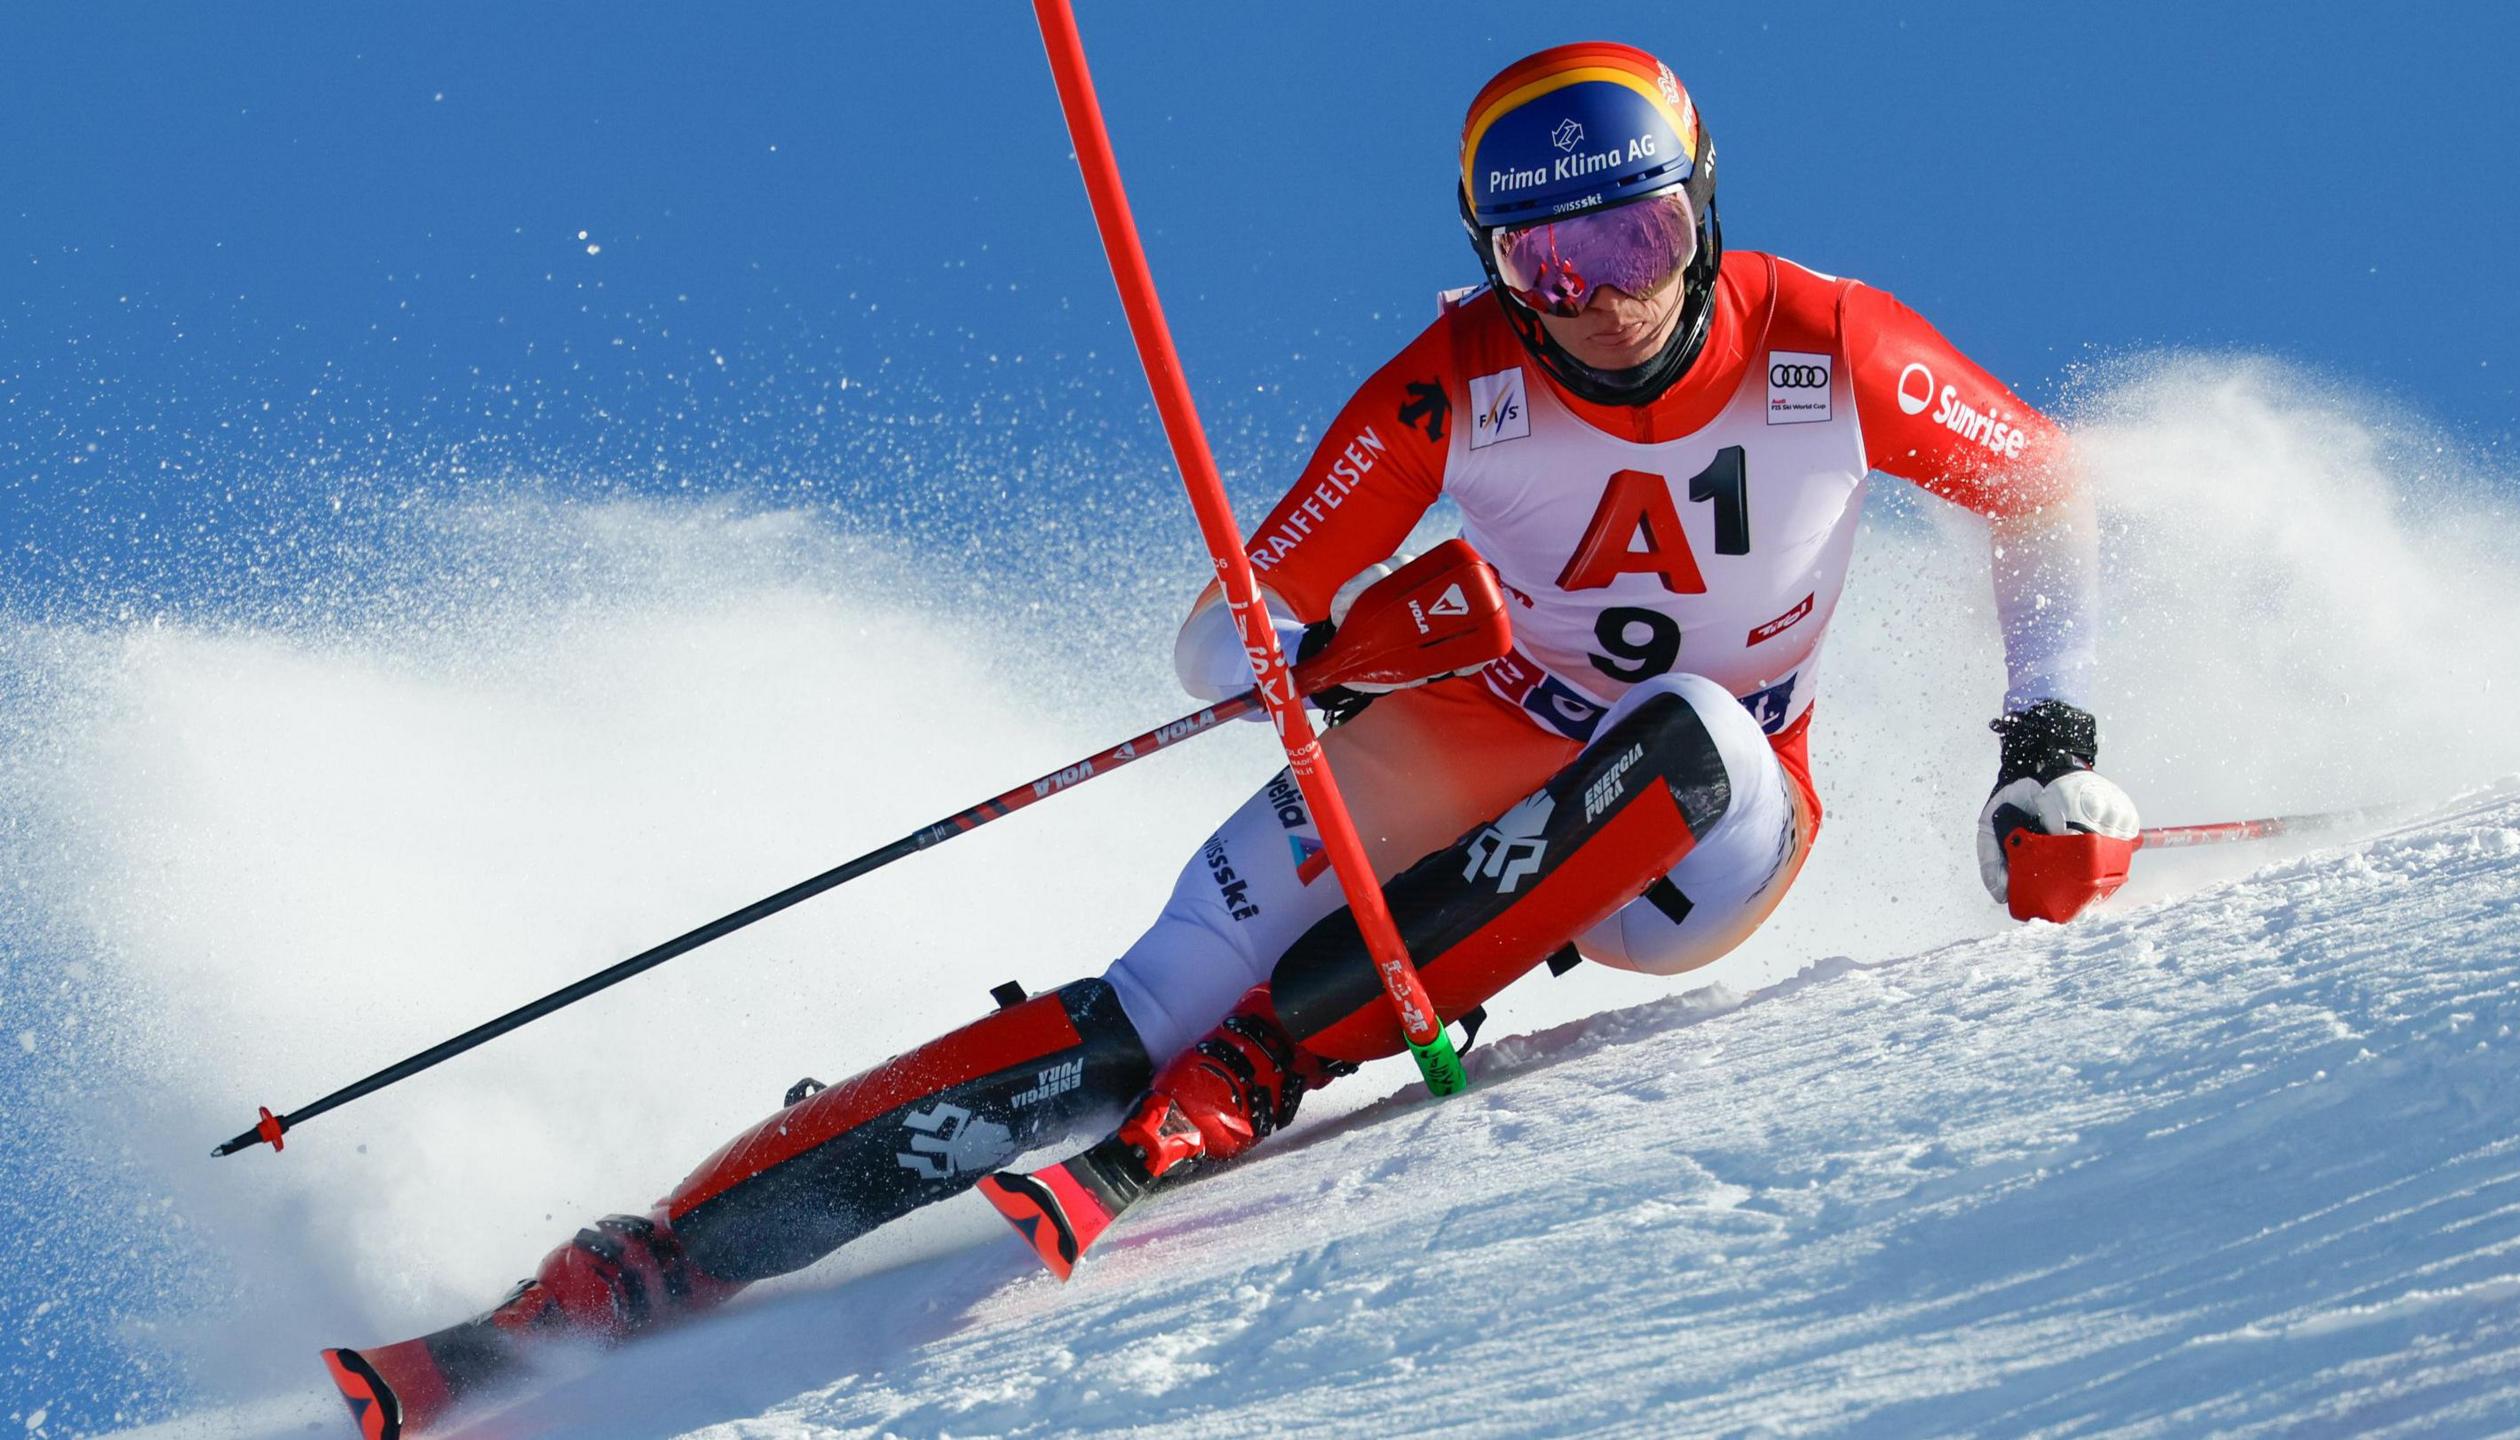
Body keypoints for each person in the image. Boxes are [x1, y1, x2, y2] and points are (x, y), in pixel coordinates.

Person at [322, 39, 2139, 1438]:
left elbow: (2046, 489)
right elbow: (1226, 628)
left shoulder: (1827, 342)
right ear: (1492, 261)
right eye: (1547, 254)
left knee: (1691, 740)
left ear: (1704, 211)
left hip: (1701, 824)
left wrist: (2040, 738)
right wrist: (1341, 642)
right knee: (1144, 999)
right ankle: (639, 1267)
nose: (1599, 294)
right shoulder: (1456, 382)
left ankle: (1257, 1078)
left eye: (1636, 235)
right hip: (1485, 731)